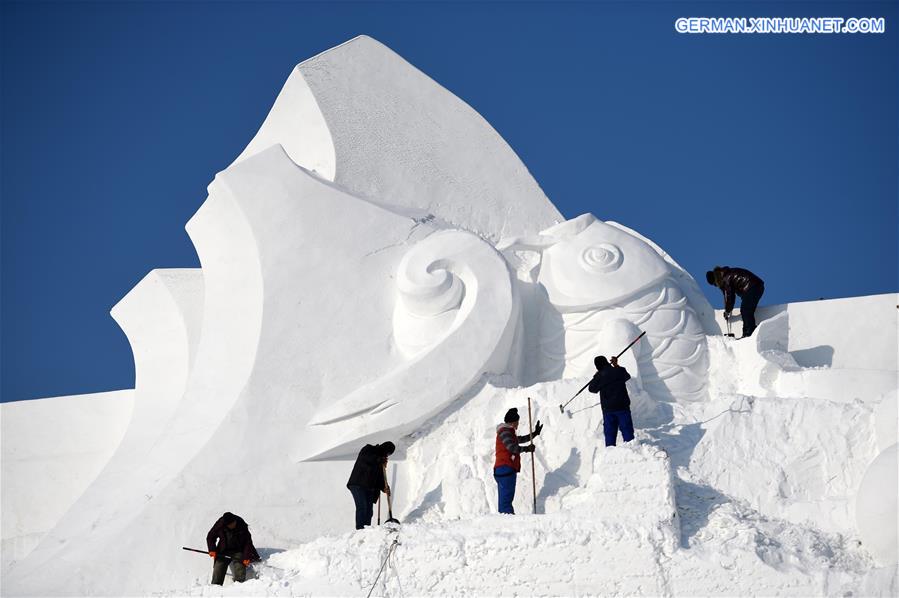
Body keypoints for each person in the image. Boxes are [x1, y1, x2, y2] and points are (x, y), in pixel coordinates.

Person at [493, 408, 542, 514]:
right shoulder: (505, 431)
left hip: (503, 469)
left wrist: (534, 434)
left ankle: (505, 520)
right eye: (517, 422)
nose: (518, 424)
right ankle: (508, 521)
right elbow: (511, 447)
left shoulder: (507, 432)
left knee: (504, 501)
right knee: (506, 502)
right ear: (513, 422)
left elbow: (519, 439)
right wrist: (526, 449)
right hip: (505, 468)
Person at [706, 266, 765, 337]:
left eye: (715, 284)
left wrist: (727, 311)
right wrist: (727, 308)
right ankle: (750, 331)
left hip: (752, 286)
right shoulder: (725, 274)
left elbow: (730, 296)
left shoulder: (726, 278)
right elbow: (726, 295)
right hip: (755, 286)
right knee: (747, 309)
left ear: (716, 279)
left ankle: (749, 332)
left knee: (745, 309)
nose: (716, 286)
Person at [346, 441, 395, 530]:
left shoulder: (381, 461)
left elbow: (380, 477)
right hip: (358, 484)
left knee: (369, 511)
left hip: (370, 488)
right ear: (384, 448)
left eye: (388, 454)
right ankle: (360, 531)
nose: (387, 455)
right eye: (387, 453)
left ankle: (367, 531)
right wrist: (379, 459)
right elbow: (367, 458)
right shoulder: (368, 449)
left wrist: (385, 487)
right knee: (362, 507)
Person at [588, 355, 634, 447]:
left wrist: (597, 375)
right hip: (622, 407)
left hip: (608, 410)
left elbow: (592, 388)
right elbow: (627, 376)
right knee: (627, 431)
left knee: (610, 434)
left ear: (597, 366)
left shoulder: (600, 376)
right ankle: (632, 449)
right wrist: (616, 365)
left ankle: (610, 453)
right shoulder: (618, 371)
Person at [206, 512, 260, 585]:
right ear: (226, 525)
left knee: (239, 567)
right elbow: (210, 537)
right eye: (231, 524)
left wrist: (247, 557)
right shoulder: (220, 525)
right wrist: (212, 549)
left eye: (234, 522)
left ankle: (238, 586)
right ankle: (215, 587)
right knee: (218, 567)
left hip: (238, 550)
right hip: (223, 550)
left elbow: (248, 543)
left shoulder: (241, 524)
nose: (233, 524)